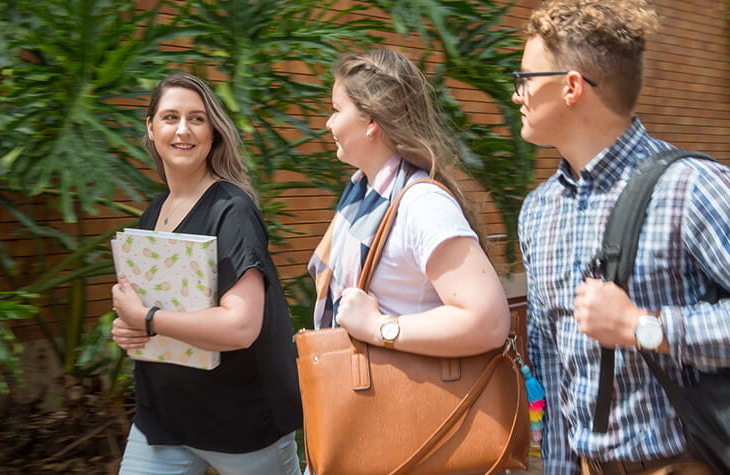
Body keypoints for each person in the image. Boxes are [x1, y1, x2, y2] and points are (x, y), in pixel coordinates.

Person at [515, 1, 730, 474]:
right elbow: (553, 370)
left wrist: (644, 328)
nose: (516, 94)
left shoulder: (693, 189)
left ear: (571, 87)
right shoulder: (537, 211)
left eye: (524, 77)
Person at [110, 72, 302, 475]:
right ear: (150, 127)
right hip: (163, 422)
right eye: (170, 117)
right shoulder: (154, 212)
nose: (183, 129)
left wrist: (147, 319)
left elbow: (240, 327)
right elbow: (160, 315)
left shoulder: (232, 211)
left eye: (197, 118)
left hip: (242, 424)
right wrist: (132, 328)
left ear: (213, 131)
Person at [309, 47, 510, 361]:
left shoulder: (422, 205)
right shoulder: (366, 197)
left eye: (336, 109)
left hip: (424, 402)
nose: (328, 123)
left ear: (370, 120)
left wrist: (378, 327)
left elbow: (489, 322)